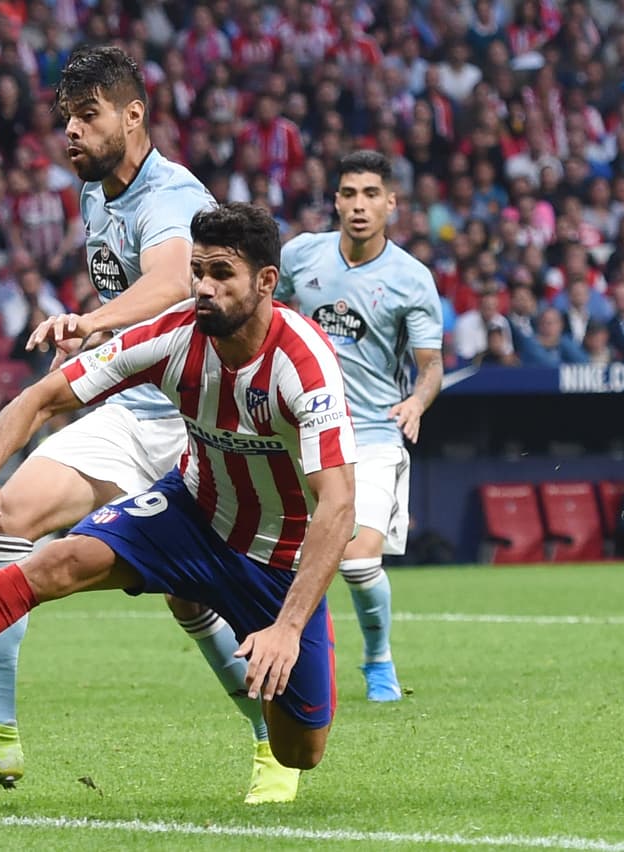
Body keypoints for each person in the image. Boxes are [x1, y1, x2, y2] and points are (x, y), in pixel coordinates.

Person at [0, 202, 356, 781]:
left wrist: (289, 628)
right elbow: (43, 397)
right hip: (192, 512)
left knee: (301, 752)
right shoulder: (173, 336)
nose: (202, 287)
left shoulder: (304, 365)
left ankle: (272, 736)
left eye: (221, 273)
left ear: (266, 282)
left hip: (276, 558)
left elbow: (339, 506)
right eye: (197, 271)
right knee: (59, 560)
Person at [0, 46, 297, 803]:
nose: (71, 132)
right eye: (65, 119)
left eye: (88, 116)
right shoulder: (95, 194)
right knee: (8, 516)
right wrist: (96, 342)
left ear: (133, 116)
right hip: (129, 408)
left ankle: (269, 743)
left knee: (194, 598)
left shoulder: (170, 195)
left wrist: (92, 321)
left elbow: (174, 280)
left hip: (195, 414)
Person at [271, 150, 444, 702]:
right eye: (349, 194)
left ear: (391, 204)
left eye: (371, 194)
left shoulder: (411, 280)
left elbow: (431, 367)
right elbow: (260, 308)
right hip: (301, 431)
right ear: (336, 202)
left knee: (359, 559)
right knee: (277, 558)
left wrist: (416, 403)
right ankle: (291, 658)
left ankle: (378, 661)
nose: (359, 205)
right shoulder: (301, 255)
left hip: (371, 435)